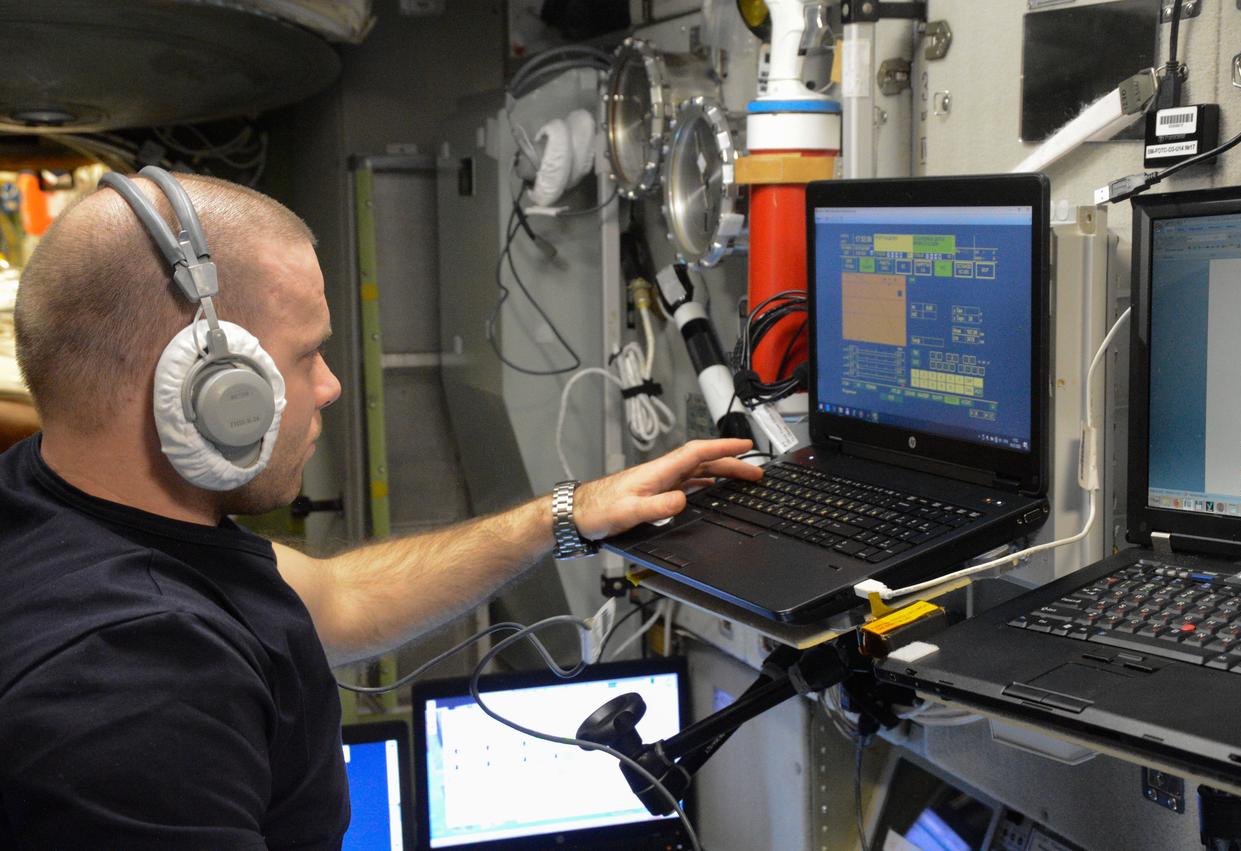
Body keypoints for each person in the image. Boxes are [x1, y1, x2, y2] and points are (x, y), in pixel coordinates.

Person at [0, 170, 761, 848]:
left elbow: (341, 597)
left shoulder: (51, 500)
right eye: (304, 356)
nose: (329, 386)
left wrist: (569, 514)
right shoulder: (133, 695)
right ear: (199, 388)